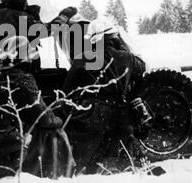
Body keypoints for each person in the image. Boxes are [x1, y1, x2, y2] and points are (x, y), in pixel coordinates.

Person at [0, 36, 64, 181]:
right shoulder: (23, 79)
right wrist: (59, 118)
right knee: (53, 132)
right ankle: (51, 176)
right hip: (14, 143)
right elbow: (44, 118)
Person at [59, 19, 151, 173]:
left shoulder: (82, 57)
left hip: (89, 117)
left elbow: (67, 90)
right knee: (129, 164)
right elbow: (142, 69)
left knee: (83, 168)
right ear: (113, 37)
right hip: (119, 119)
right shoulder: (127, 57)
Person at [0, 0, 77, 65]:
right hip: (18, 72)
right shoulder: (18, 16)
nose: (27, 3)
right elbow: (49, 29)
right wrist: (64, 15)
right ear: (21, 1)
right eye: (25, 0)